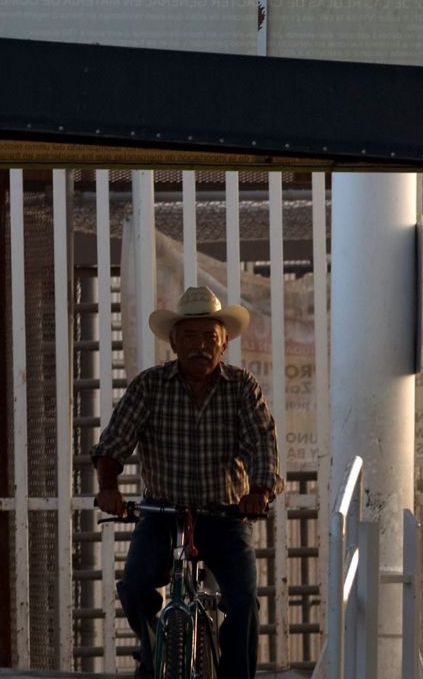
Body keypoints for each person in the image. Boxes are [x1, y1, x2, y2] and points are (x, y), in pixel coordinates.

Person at [92, 286, 283, 679]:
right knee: (134, 586)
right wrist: (108, 486)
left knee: (243, 600)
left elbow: (262, 443)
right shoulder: (150, 386)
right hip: (162, 513)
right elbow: (113, 444)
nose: (200, 347)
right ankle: (151, 656)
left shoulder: (242, 388)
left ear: (224, 343)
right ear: (174, 343)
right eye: (190, 338)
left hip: (225, 515)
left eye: (209, 338)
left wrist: (259, 492)